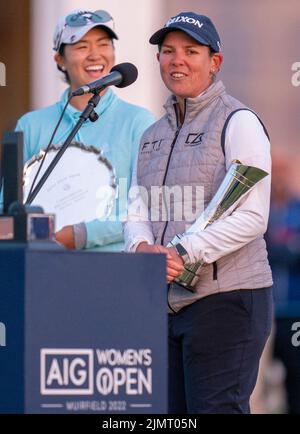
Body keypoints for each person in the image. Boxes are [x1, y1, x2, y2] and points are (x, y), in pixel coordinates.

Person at [124, 11, 273, 413]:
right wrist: (139, 247)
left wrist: (184, 251)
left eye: (191, 51)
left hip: (229, 301)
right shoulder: (152, 135)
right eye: (168, 51)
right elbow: (137, 205)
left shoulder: (238, 121)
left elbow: (253, 217)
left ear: (215, 62)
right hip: (166, 304)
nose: (178, 60)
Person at [15, 9, 155, 250]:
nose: (95, 55)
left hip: (117, 268)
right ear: (59, 59)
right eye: (81, 46)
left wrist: (80, 234)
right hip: (45, 267)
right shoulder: (30, 126)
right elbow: (9, 208)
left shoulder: (139, 122)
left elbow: (148, 206)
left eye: (103, 44)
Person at [266, 153, 300, 414]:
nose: (277, 177)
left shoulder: (296, 209)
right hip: (262, 312)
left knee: (296, 380)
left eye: (281, 171)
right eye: (272, 171)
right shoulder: (258, 213)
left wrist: (277, 250)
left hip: (293, 312)